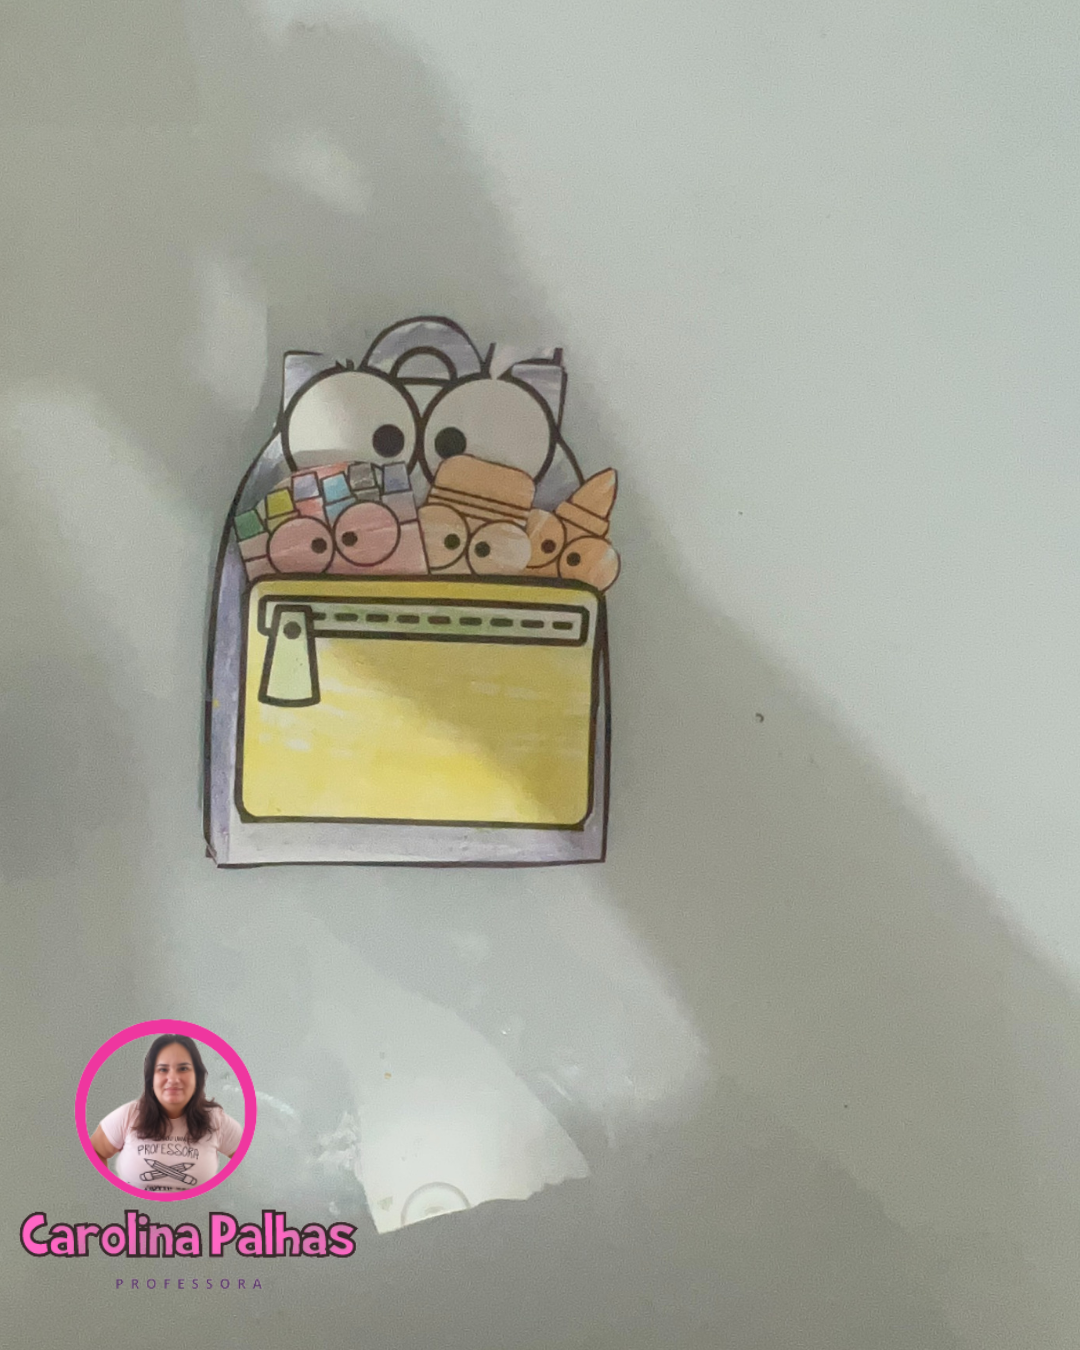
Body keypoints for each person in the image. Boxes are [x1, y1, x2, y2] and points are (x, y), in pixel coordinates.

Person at [89, 1034, 243, 1192]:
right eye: (163, 1069)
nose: (173, 1079)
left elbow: (249, 1157)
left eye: (183, 1068)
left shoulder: (216, 1120)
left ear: (197, 1077)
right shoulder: (128, 1114)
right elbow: (92, 1152)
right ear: (151, 1078)